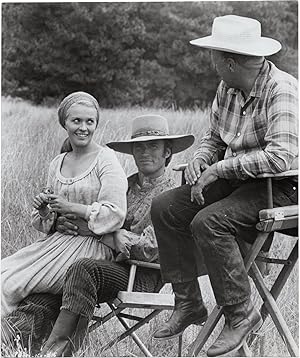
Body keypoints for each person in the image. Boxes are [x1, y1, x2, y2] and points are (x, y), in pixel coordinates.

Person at [150, 15, 298, 357]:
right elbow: (215, 137)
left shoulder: (282, 89)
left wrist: (219, 169)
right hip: (238, 182)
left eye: (214, 55)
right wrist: (204, 158)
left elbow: (279, 157)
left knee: (210, 222)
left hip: (282, 188)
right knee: (165, 206)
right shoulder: (228, 88)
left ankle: (241, 313)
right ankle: (188, 303)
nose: (211, 61)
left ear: (229, 62)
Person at [3, 114, 195, 357]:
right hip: (104, 264)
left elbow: (151, 248)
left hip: (144, 274)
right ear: (132, 152)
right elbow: (93, 220)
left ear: (168, 152)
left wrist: (107, 235)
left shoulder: (174, 193)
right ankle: (11, 342)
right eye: (139, 147)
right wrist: (64, 222)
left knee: (83, 269)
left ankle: (55, 353)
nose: (145, 153)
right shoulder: (123, 185)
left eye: (153, 146)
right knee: (47, 283)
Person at [1, 91, 128, 318]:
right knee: (3, 272)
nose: (83, 127)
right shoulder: (58, 162)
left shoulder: (106, 159)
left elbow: (115, 214)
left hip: (92, 247)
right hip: (57, 243)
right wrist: (45, 211)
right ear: (64, 123)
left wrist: (71, 208)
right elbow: (48, 219)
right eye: (76, 120)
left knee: (10, 284)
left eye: (90, 121)